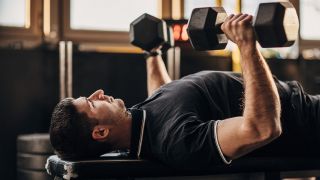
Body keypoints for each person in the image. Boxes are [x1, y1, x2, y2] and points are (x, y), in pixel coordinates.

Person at [50, 14, 320, 169]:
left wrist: (152, 53)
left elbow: (166, 95)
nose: (98, 93)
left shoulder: (143, 122)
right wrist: (247, 45)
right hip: (311, 122)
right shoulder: (175, 140)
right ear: (101, 132)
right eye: (92, 102)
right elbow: (261, 129)